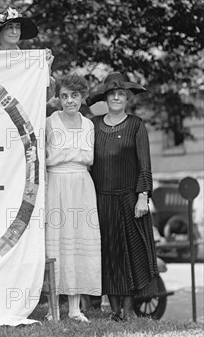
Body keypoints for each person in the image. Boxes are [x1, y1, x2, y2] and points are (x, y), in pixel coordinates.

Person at [88, 72, 158, 321]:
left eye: (121, 94)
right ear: (106, 98)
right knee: (109, 252)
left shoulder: (136, 125)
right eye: (112, 94)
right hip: (101, 199)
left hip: (130, 199)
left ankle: (128, 310)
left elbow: (145, 165)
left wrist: (142, 196)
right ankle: (114, 309)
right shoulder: (93, 124)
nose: (116, 97)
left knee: (131, 253)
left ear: (127, 98)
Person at [44, 74, 101, 322]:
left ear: (82, 98)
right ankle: (52, 308)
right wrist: (69, 154)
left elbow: (88, 158)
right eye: (64, 96)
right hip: (56, 184)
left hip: (81, 186)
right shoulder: (48, 122)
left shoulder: (89, 125)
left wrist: (64, 153)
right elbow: (46, 158)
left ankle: (75, 308)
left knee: (79, 239)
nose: (69, 101)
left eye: (75, 96)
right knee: (54, 240)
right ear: (58, 98)